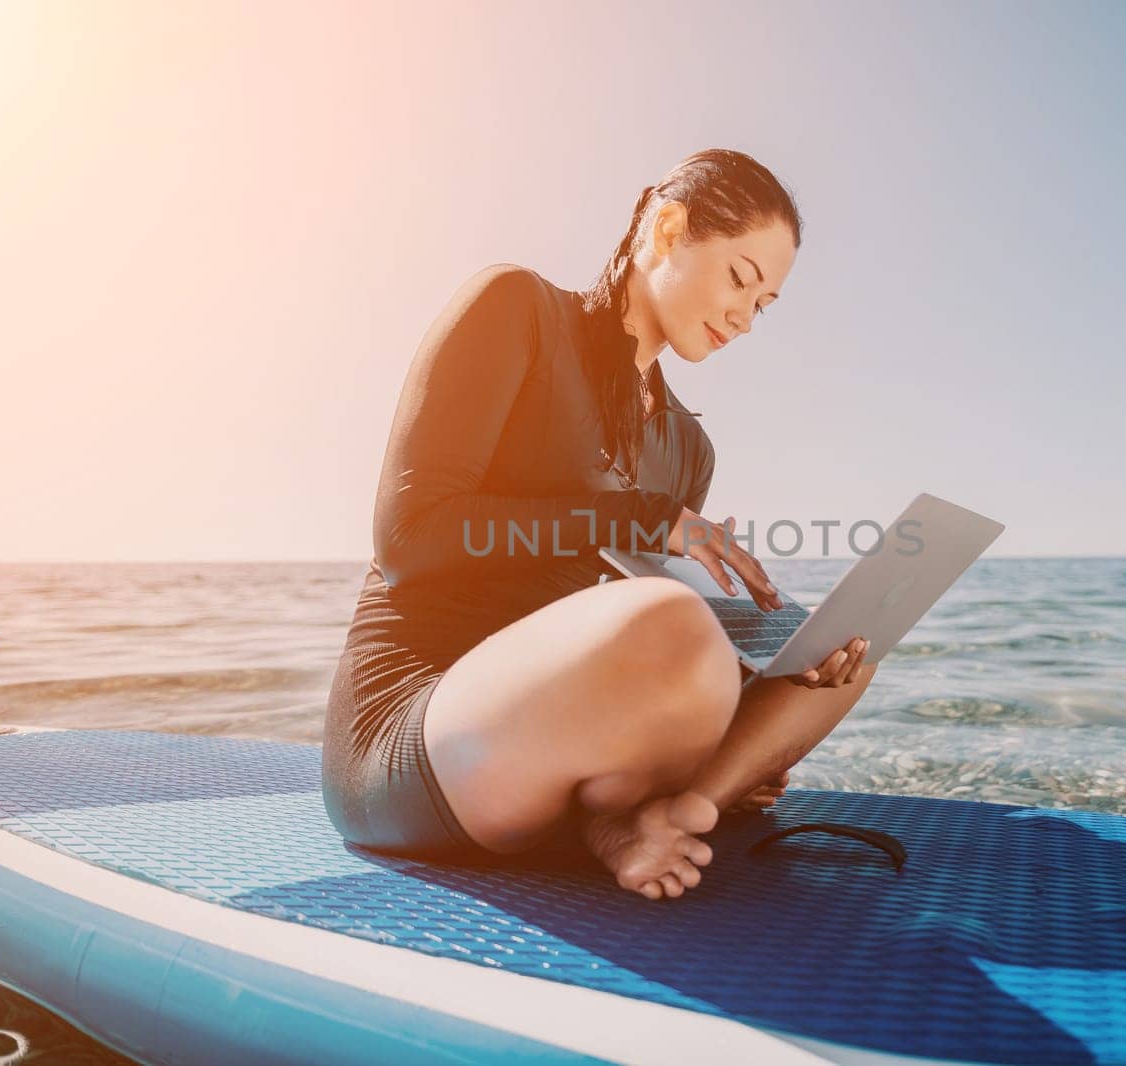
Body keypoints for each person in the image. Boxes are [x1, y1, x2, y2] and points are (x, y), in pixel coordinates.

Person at [322, 148, 877, 901]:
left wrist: (756, 698)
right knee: (672, 622)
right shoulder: (516, 309)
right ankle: (629, 809)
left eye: (765, 303)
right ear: (670, 229)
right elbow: (410, 541)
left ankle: (683, 805)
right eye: (740, 279)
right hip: (419, 731)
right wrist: (641, 516)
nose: (746, 318)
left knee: (843, 659)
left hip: (565, 740)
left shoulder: (687, 447)